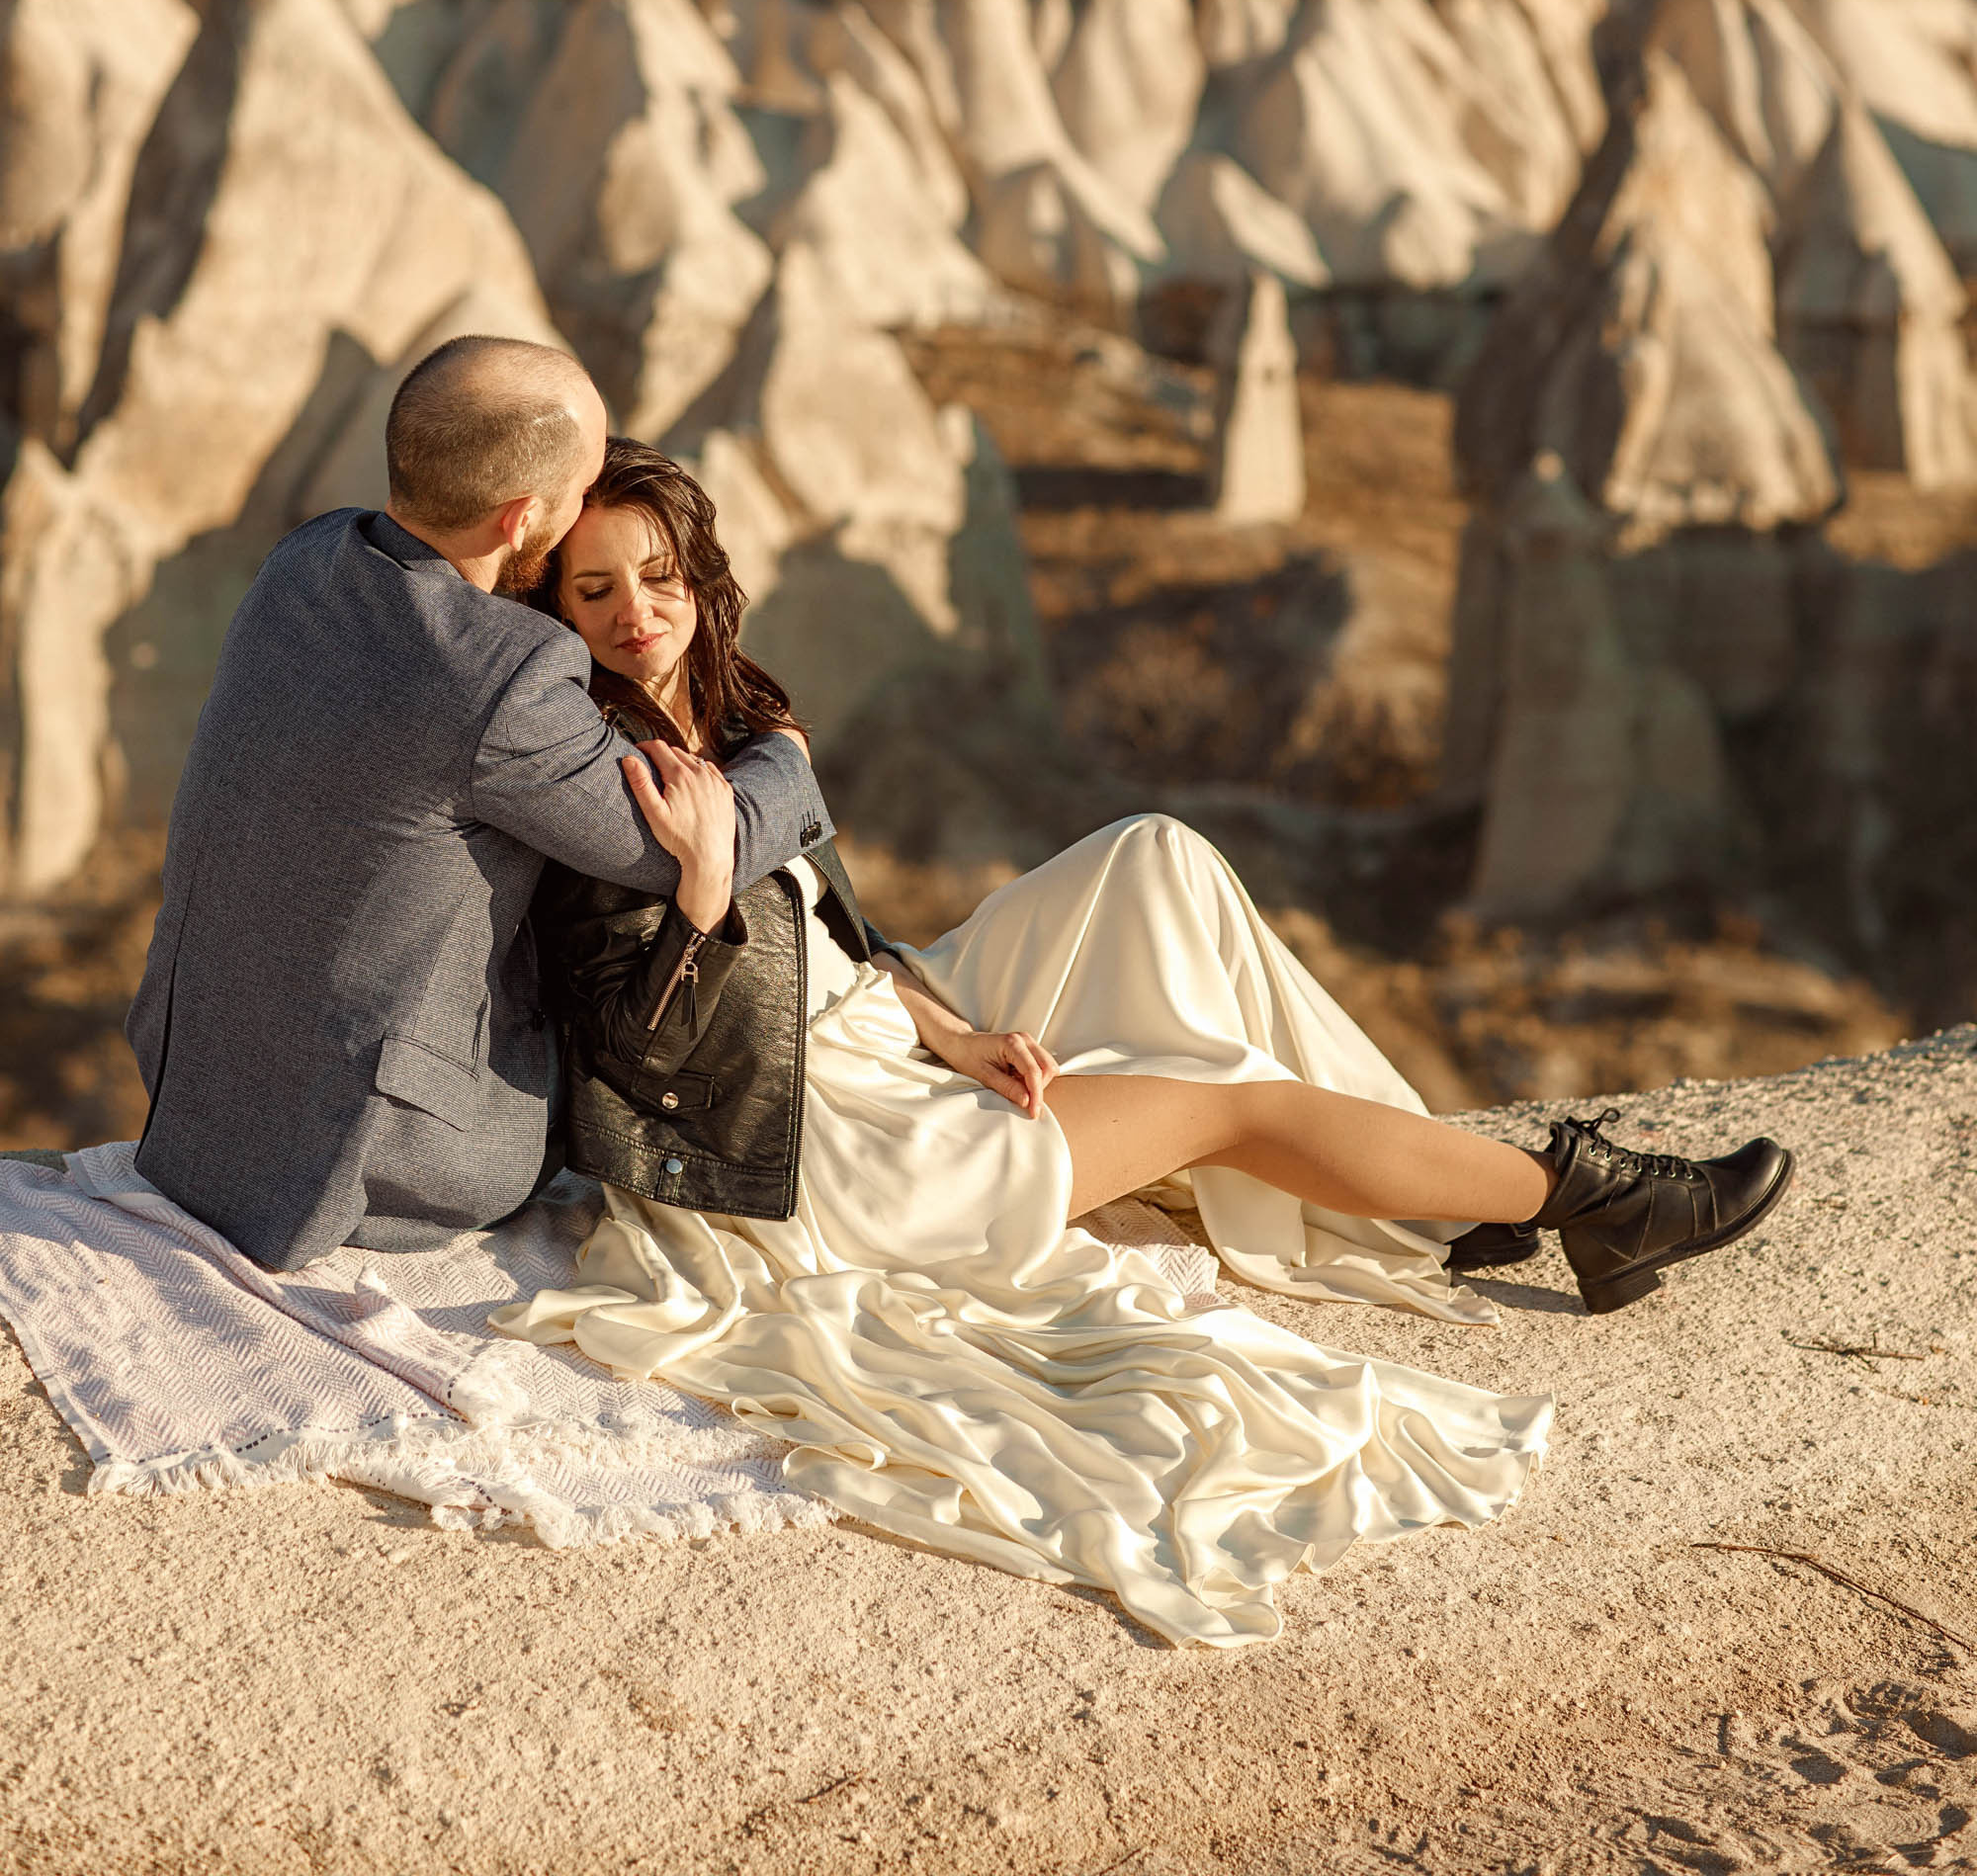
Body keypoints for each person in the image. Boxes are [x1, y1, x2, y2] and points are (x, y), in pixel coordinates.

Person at [501, 441, 1794, 1647]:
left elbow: (833, 933)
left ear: (700, 577)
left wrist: (947, 1030)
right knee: (1236, 1101)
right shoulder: (607, 777)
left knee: (1150, 856)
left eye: (659, 577)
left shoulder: (717, 722)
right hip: (826, 1144)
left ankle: (1412, 1189)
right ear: (557, 606)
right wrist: (703, 896)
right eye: (597, 589)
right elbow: (645, 1043)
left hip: (872, 1035)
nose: (635, 613)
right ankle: (1592, 1199)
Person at [127, 339, 832, 1272]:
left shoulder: (305, 561)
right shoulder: (502, 676)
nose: (590, 504)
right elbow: (697, 843)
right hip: (373, 1152)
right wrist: (785, 751)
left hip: (189, 1088)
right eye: (582, 491)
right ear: (522, 518)